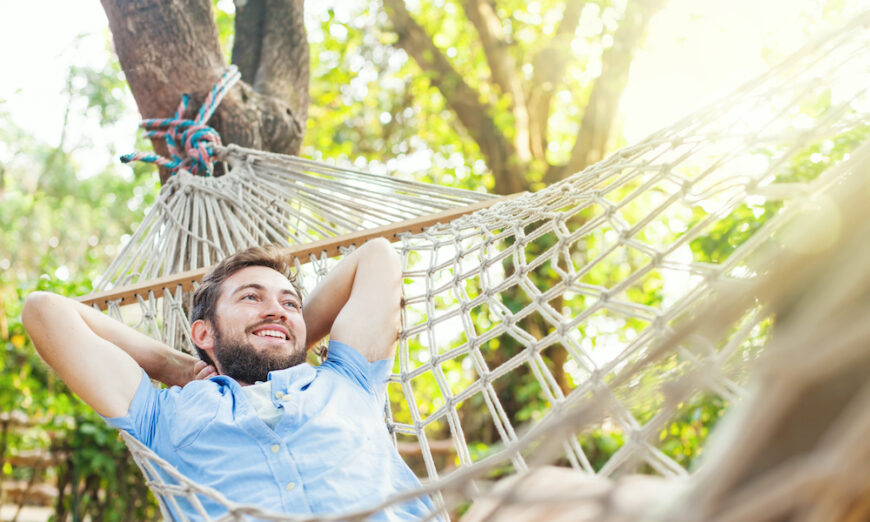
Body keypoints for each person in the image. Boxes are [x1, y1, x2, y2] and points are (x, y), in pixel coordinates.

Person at [22, 238, 435, 519]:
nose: (276, 308)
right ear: (203, 333)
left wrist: (281, 332)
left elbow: (378, 256)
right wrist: (178, 368)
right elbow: (45, 312)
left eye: (288, 302)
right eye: (251, 297)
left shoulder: (348, 379)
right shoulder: (162, 416)